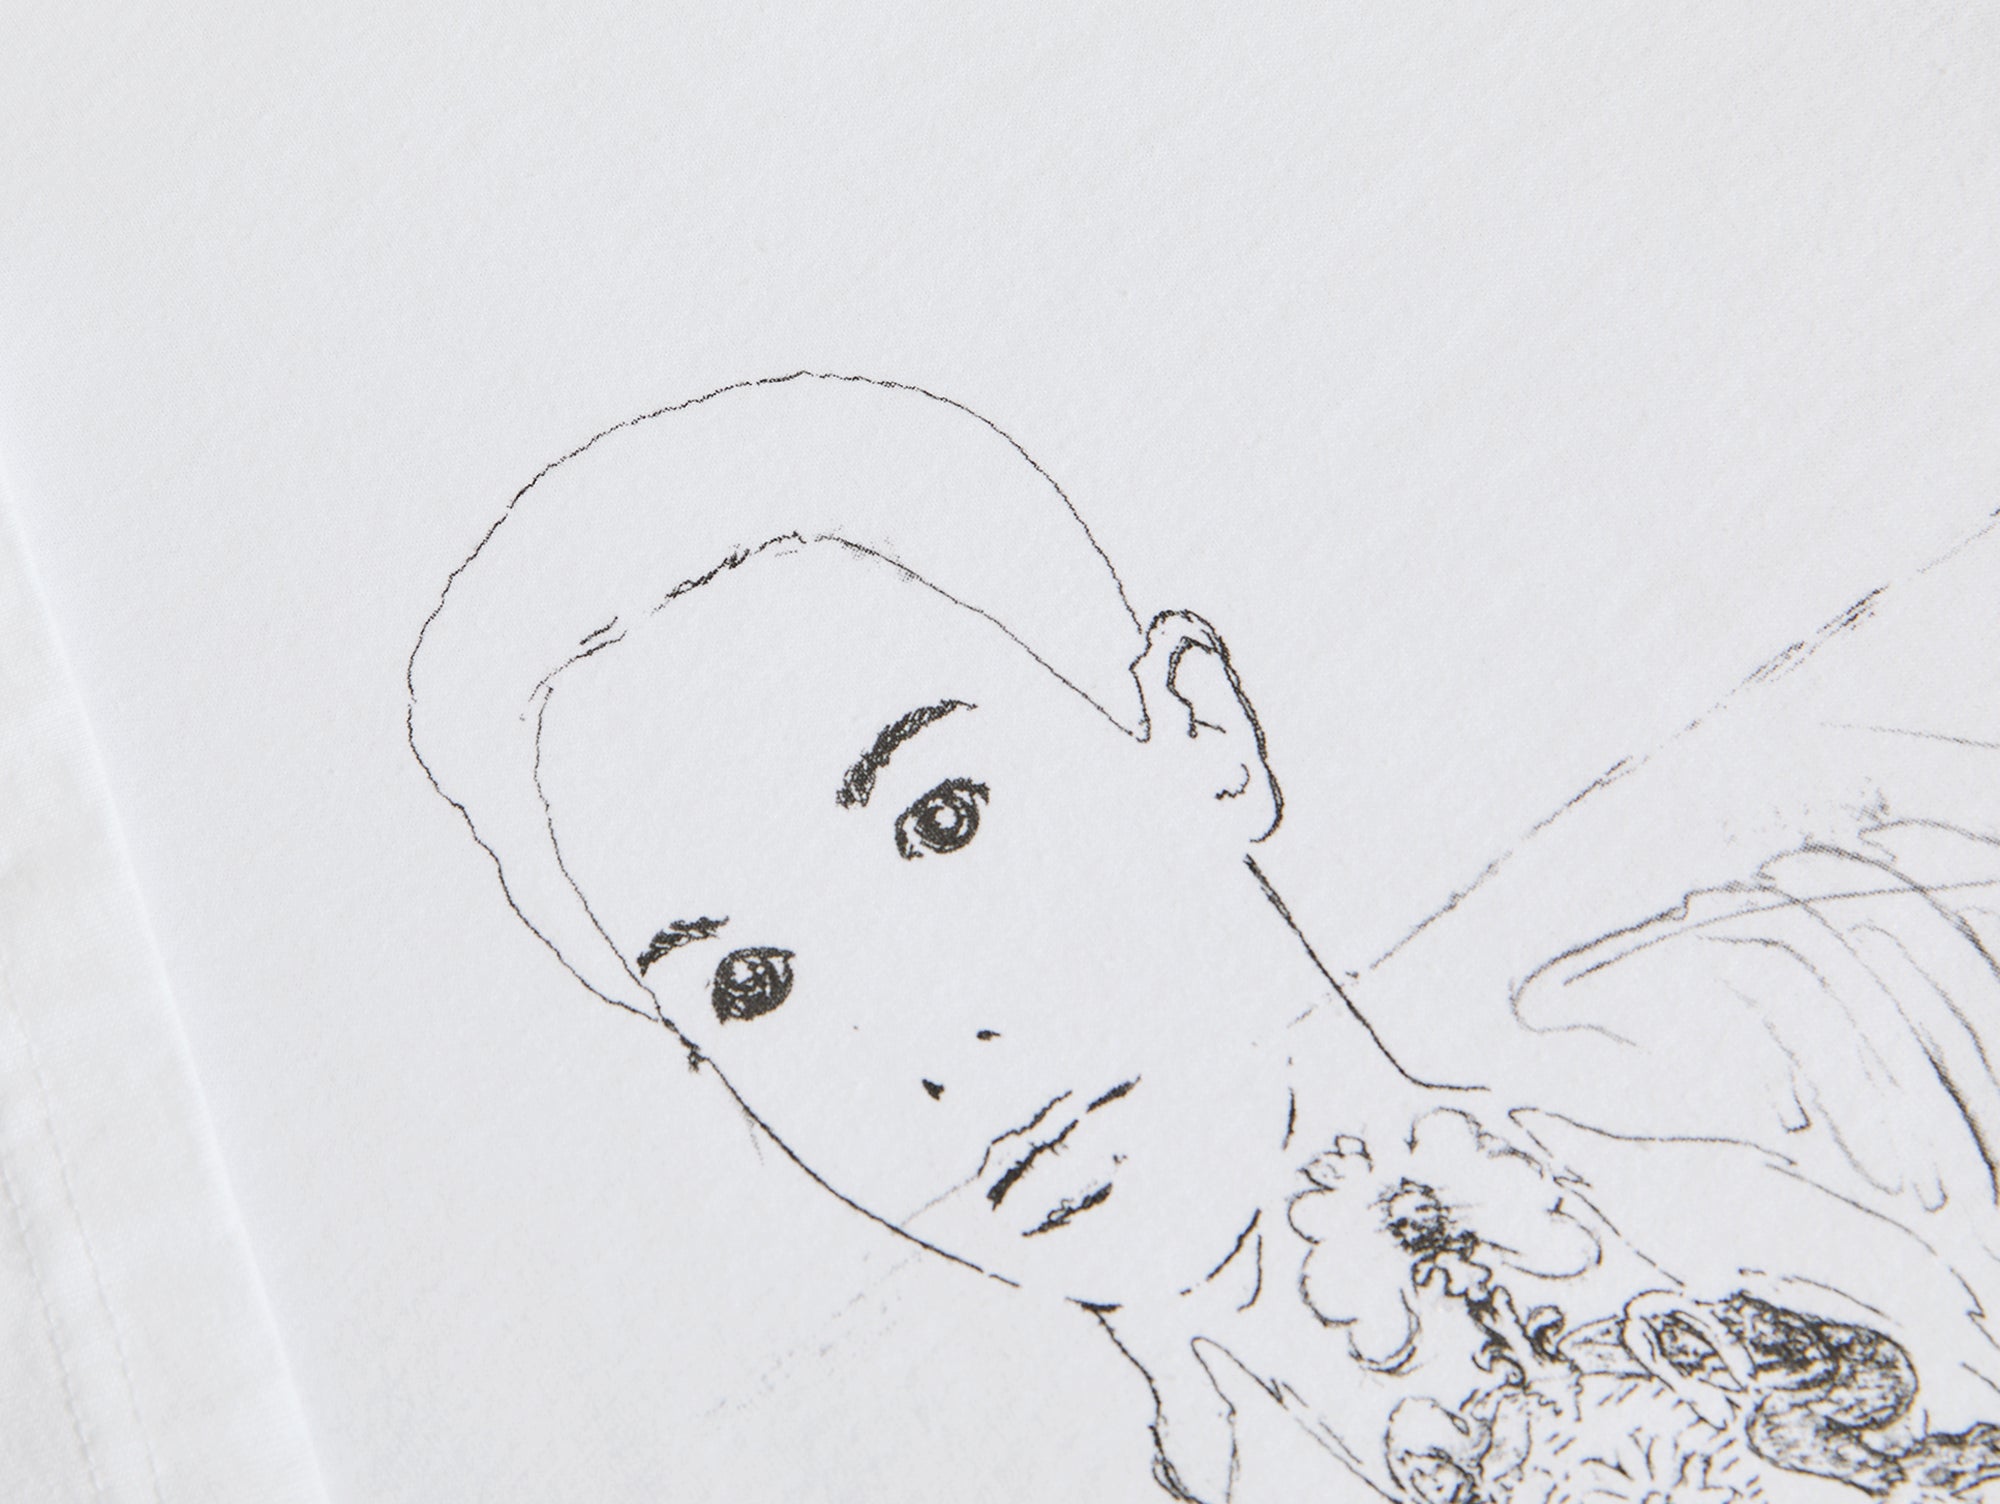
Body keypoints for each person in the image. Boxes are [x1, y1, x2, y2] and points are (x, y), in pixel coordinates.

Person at [407, 372, 2000, 1503]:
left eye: (944, 819)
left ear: (1202, 731)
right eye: (749, 987)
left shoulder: (1847, 1041)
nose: (931, 1046)